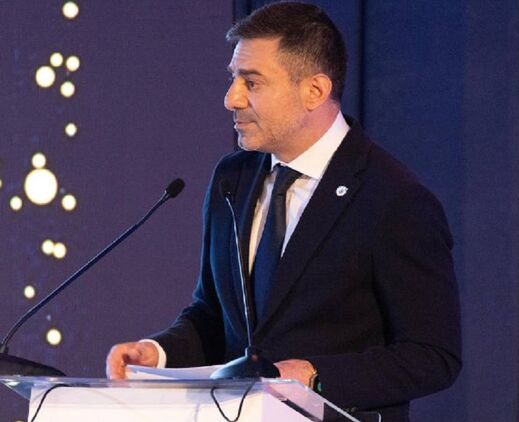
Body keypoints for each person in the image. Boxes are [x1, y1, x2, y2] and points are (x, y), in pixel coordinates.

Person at [106, 3, 461, 421]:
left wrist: (315, 375)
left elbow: (433, 355)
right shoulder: (232, 178)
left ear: (314, 90)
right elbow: (215, 315)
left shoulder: (393, 198)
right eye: (233, 79)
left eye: (252, 82)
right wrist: (158, 352)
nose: (231, 98)